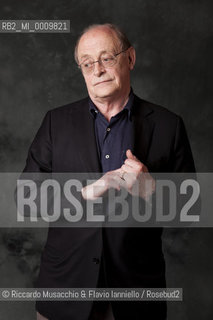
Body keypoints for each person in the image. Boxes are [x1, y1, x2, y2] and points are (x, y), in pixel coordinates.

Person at [23, 23, 195, 320]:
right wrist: (85, 192)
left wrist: (154, 192)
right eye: (87, 63)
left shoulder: (169, 125)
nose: (97, 70)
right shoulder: (55, 122)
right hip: (65, 291)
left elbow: (193, 209)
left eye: (106, 58)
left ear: (130, 59)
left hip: (137, 295)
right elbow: (27, 198)